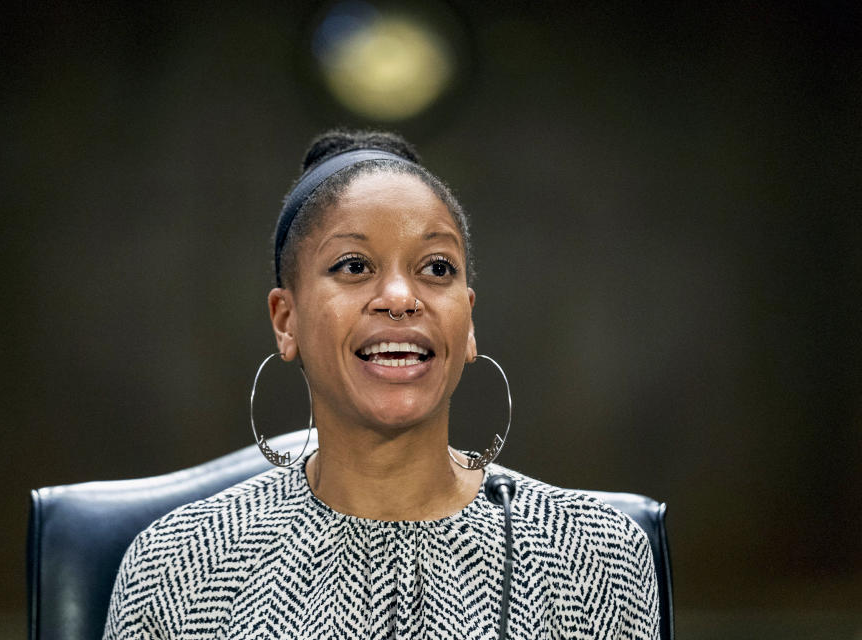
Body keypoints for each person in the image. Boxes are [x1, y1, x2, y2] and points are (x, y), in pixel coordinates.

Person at [103, 130, 660, 639]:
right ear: (285, 320)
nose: (400, 297)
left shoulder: (598, 555)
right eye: (353, 265)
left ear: (468, 321)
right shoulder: (177, 563)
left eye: (437, 268)